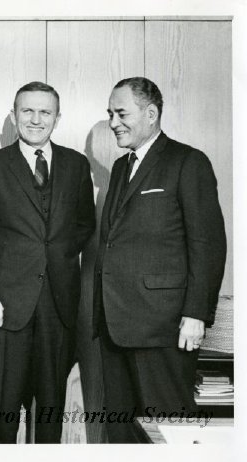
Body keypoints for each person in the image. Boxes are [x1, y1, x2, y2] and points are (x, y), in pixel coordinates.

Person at [93, 77, 226, 443]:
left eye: (121, 113)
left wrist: (196, 314)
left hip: (164, 327)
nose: (114, 122)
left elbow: (208, 244)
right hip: (115, 326)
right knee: (121, 432)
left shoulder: (188, 162)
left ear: (151, 114)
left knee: (171, 431)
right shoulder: (122, 167)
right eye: (110, 114)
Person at [0, 81, 95, 443]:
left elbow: (84, 224)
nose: (36, 120)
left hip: (59, 305)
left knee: (51, 410)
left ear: (57, 117)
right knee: (5, 412)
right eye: (27, 111)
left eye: (45, 112)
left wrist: (58, 256)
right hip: (4, 307)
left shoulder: (76, 164)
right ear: (13, 115)